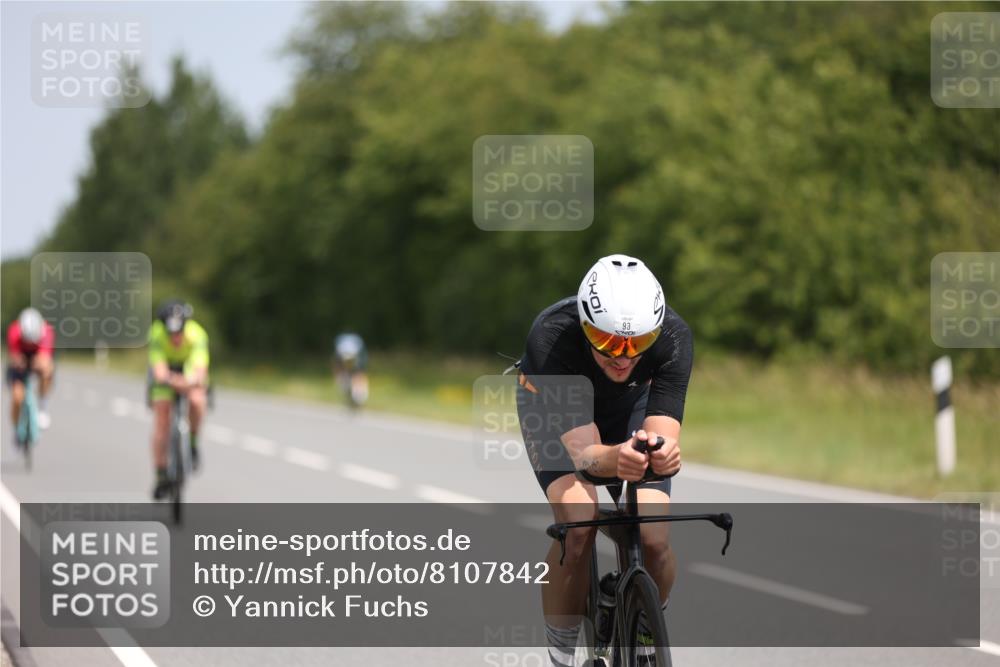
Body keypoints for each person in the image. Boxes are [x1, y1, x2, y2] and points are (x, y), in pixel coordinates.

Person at [515, 254, 692, 667]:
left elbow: (663, 429)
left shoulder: (675, 337)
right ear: (583, 324)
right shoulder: (552, 336)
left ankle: (645, 630)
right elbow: (585, 456)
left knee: (655, 540)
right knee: (579, 522)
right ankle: (560, 656)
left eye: (638, 343)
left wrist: (663, 453)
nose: (623, 356)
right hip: (557, 414)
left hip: (631, 406)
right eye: (608, 341)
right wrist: (616, 458)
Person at [147, 300, 209, 499]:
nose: (174, 338)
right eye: (170, 333)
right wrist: (171, 381)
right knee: (162, 422)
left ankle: (192, 443)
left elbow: (200, 372)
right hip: (166, 374)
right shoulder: (156, 334)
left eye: (178, 333)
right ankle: (161, 473)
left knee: (197, 401)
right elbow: (159, 372)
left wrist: (190, 382)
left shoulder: (197, 335)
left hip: (188, 370)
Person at [6, 307, 56, 435]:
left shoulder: (47, 331)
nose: (29, 344)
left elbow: (44, 359)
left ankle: (42, 407)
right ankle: (16, 429)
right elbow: (15, 358)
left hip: (36, 357)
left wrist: (36, 363)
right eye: (26, 340)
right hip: (20, 360)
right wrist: (19, 361)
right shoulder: (14, 331)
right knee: (17, 397)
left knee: (47, 368)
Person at [332, 332, 369, 407]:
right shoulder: (340, 350)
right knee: (343, 379)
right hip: (345, 356)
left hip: (356, 356)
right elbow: (336, 364)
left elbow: (361, 369)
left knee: (358, 375)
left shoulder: (359, 354)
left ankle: (358, 396)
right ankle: (350, 393)